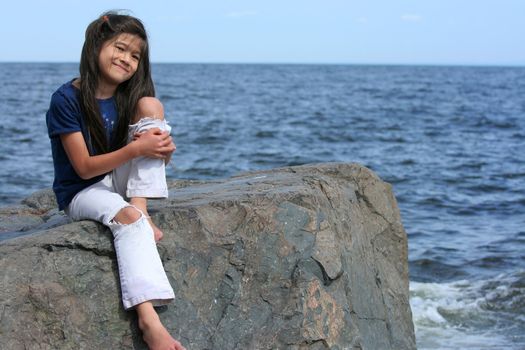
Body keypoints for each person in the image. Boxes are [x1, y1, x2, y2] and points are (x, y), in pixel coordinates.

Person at [46, 11, 186, 350]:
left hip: (116, 180)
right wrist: (139, 148)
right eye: (119, 48)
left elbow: (144, 154)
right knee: (129, 220)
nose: (126, 59)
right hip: (82, 191)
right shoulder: (66, 99)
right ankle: (148, 320)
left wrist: (159, 147)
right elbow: (82, 168)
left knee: (152, 105)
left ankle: (141, 207)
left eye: (135, 55)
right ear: (97, 44)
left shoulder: (128, 96)